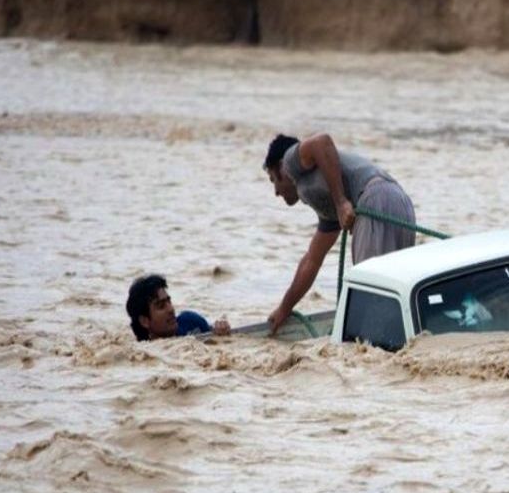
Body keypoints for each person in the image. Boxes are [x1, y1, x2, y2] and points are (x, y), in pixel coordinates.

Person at [263, 132, 416, 335]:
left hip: (375, 199)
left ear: (281, 167)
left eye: (273, 179)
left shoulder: (291, 161)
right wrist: (284, 308)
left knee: (369, 291)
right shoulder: (326, 208)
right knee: (393, 291)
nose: (275, 191)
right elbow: (312, 261)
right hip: (399, 203)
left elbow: (322, 141)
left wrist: (341, 202)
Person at [125, 274, 229, 341]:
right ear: (144, 321)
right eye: (161, 306)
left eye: (169, 301)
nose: (171, 309)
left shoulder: (191, 322)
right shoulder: (142, 355)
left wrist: (221, 334)